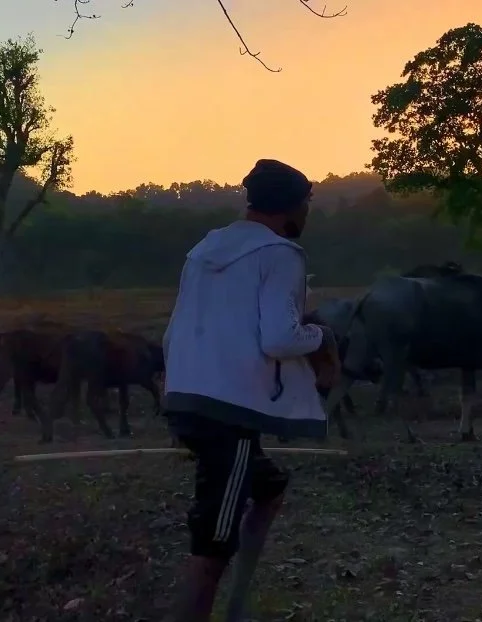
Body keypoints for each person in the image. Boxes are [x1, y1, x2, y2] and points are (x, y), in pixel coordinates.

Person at [160, 158, 340, 622]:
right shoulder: (280, 253)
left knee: (270, 489)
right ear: (295, 208)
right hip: (228, 412)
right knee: (212, 548)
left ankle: (237, 608)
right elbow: (280, 338)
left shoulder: (205, 249)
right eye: (308, 205)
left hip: (185, 394)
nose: (308, 214)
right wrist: (323, 338)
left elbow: (183, 327)